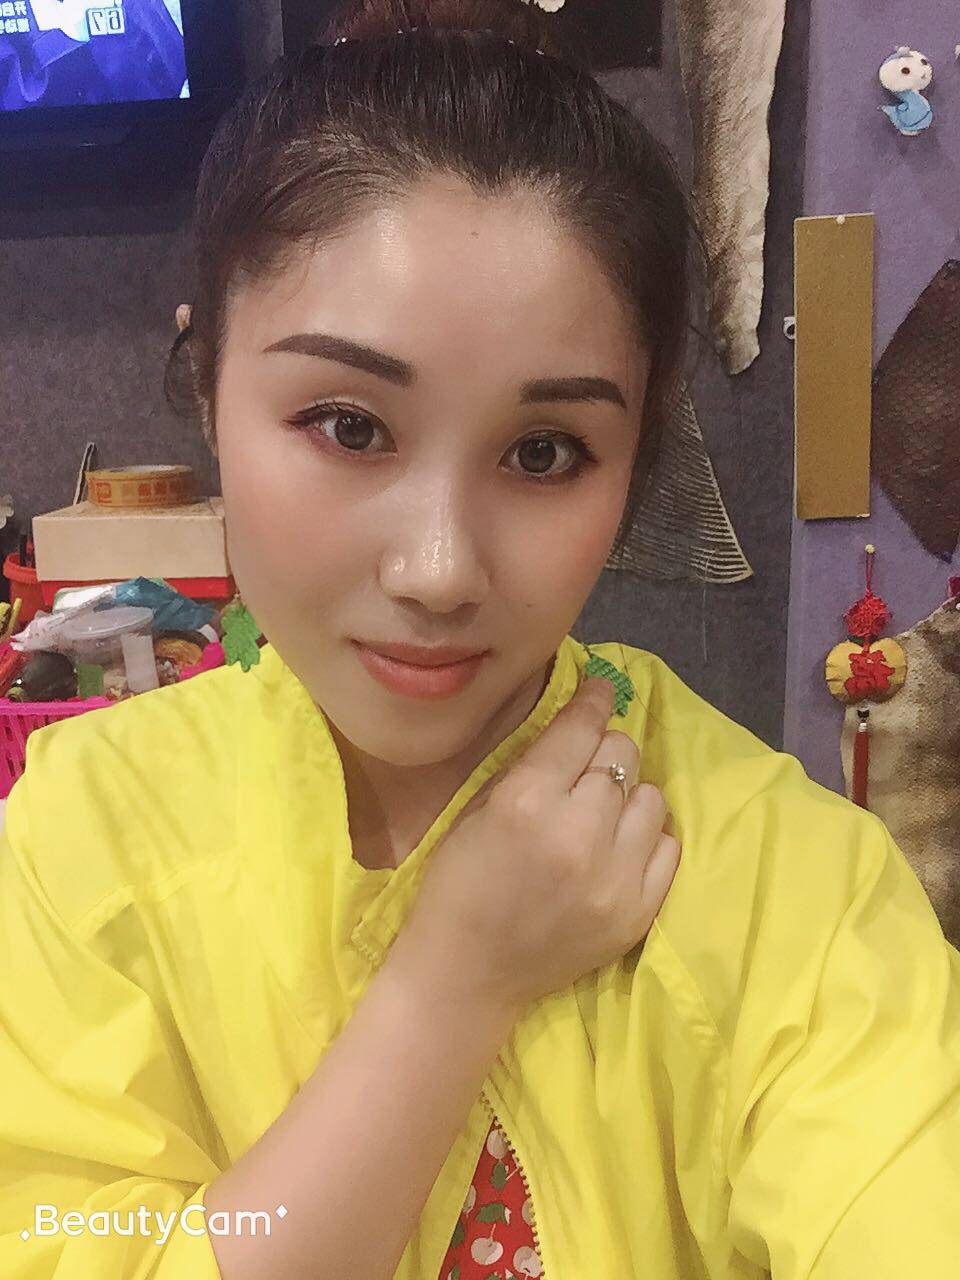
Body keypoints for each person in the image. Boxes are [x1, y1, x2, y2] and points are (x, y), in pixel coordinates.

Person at [1, 1, 959, 1276]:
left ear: (635, 459)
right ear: (208, 382)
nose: (439, 570)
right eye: (348, 425)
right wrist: (450, 985)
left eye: (545, 452)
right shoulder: (79, 844)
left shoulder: (789, 880)